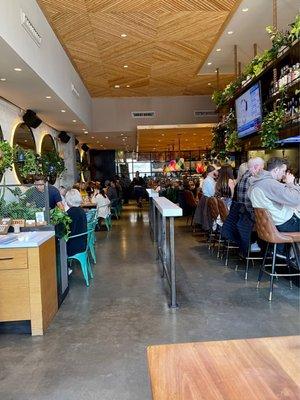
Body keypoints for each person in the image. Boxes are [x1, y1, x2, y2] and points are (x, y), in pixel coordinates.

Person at [249, 157, 300, 256]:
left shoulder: (256, 182)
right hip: (285, 223)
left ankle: (290, 255)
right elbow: (296, 199)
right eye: (283, 171)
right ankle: (292, 258)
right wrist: (291, 184)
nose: (284, 174)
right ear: (276, 170)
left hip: (273, 224)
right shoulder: (270, 183)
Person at [236, 157, 265, 252]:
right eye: (263, 168)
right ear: (257, 167)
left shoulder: (244, 177)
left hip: (243, 217)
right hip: (251, 217)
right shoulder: (253, 179)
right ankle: (275, 251)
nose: (263, 171)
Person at [65, 189, 87, 257]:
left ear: (69, 200)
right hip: (81, 243)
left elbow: (69, 232)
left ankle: (64, 267)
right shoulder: (80, 210)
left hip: (74, 246)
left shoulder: (71, 212)